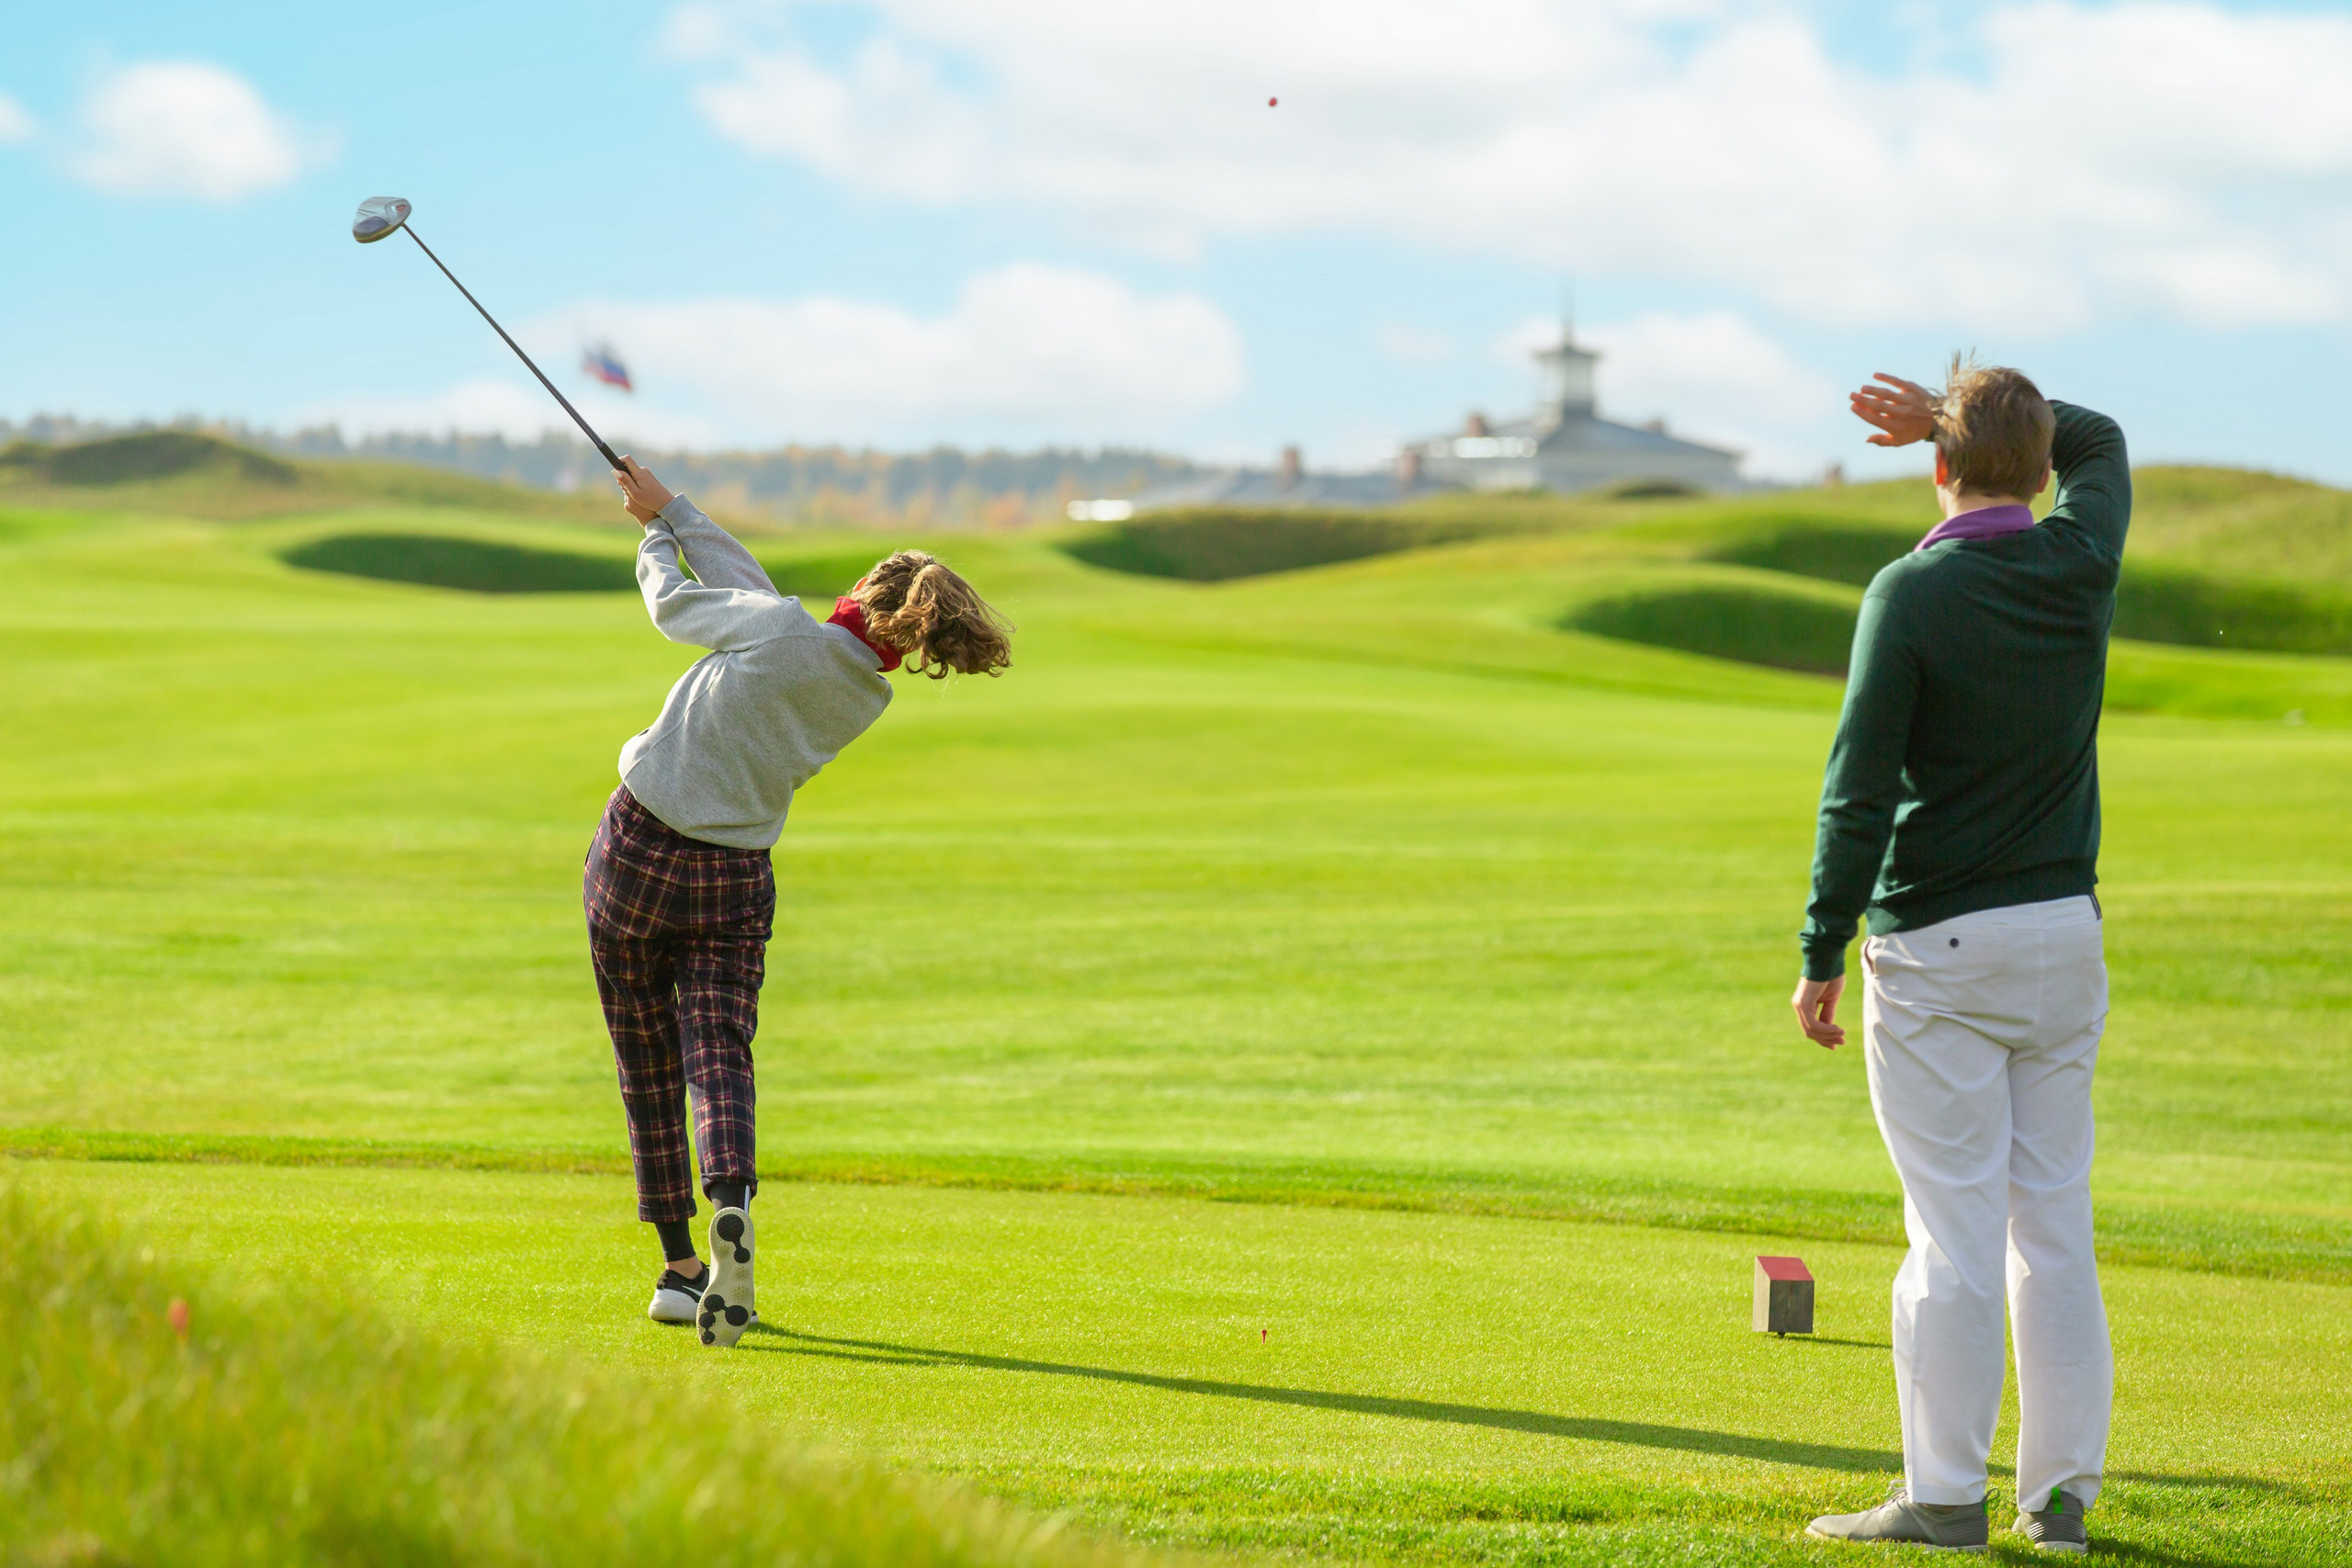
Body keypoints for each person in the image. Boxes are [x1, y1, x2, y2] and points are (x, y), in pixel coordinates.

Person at [1791, 360, 2128, 1554]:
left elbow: (1858, 789)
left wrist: (1821, 943)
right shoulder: (2081, 557)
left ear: (1935, 468)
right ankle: (2064, 1496)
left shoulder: (1909, 592)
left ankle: (1943, 1493)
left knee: (1954, 1231)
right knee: (2055, 1222)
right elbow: (2097, 437)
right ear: (2038, 472)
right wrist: (1969, 424)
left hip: (1936, 945)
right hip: (2063, 940)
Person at [585, 457, 1011, 1348]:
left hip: (640, 850)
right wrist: (675, 507)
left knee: (647, 1054)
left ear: (865, 589)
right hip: (736, 877)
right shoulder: (862, 689)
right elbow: (760, 602)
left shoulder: (780, 634)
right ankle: (730, 1200)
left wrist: (656, 540)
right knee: (719, 1052)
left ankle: (678, 1269)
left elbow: (680, 607)